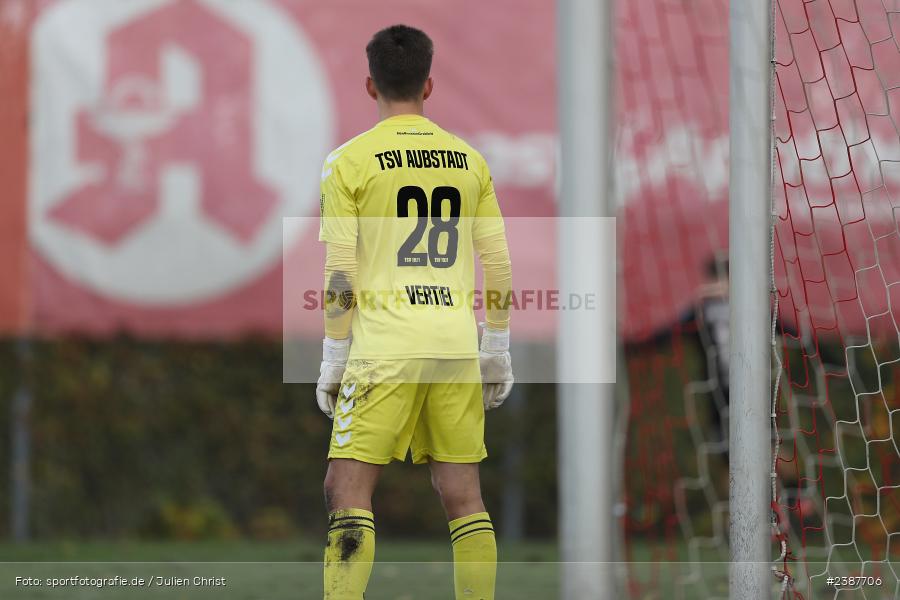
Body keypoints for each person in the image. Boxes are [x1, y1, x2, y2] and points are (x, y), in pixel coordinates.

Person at [315, 24, 514, 600]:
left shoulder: (348, 162)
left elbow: (340, 272)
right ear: (429, 85)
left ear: (368, 84)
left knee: (345, 488)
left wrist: (334, 353)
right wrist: (496, 347)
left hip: (385, 348)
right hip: (453, 346)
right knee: (464, 498)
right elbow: (497, 265)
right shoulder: (469, 161)